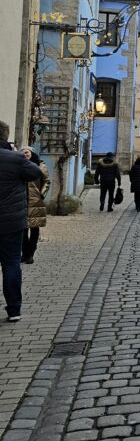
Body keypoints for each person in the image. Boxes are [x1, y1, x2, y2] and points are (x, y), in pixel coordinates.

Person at [0, 121, 44, 322]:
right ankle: (14, 310)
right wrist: (17, 154)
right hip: (11, 221)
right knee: (11, 264)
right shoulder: (15, 158)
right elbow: (35, 172)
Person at [19, 148, 49, 264]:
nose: (24, 154)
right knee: (23, 229)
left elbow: (47, 181)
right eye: (22, 152)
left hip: (36, 201)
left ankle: (31, 254)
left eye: (27, 152)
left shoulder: (40, 165)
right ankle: (25, 254)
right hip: (22, 200)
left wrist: (42, 194)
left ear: (32, 153)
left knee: (35, 228)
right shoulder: (20, 165)